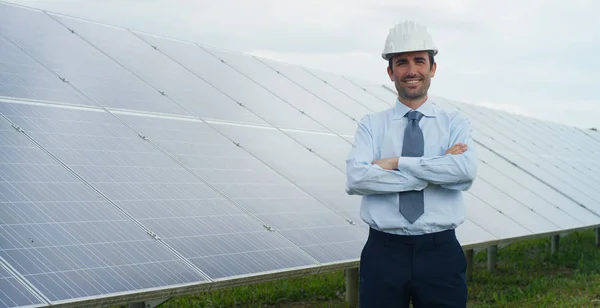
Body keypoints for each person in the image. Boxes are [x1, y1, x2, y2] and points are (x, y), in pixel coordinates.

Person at [345, 21, 478, 308]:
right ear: (391, 71)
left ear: (433, 68)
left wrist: (395, 163)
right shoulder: (371, 125)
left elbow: (464, 172)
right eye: (402, 63)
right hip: (383, 251)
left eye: (420, 60)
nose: (411, 70)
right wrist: (434, 171)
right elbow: (357, 178)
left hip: (440, 251)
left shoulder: (455, 122)